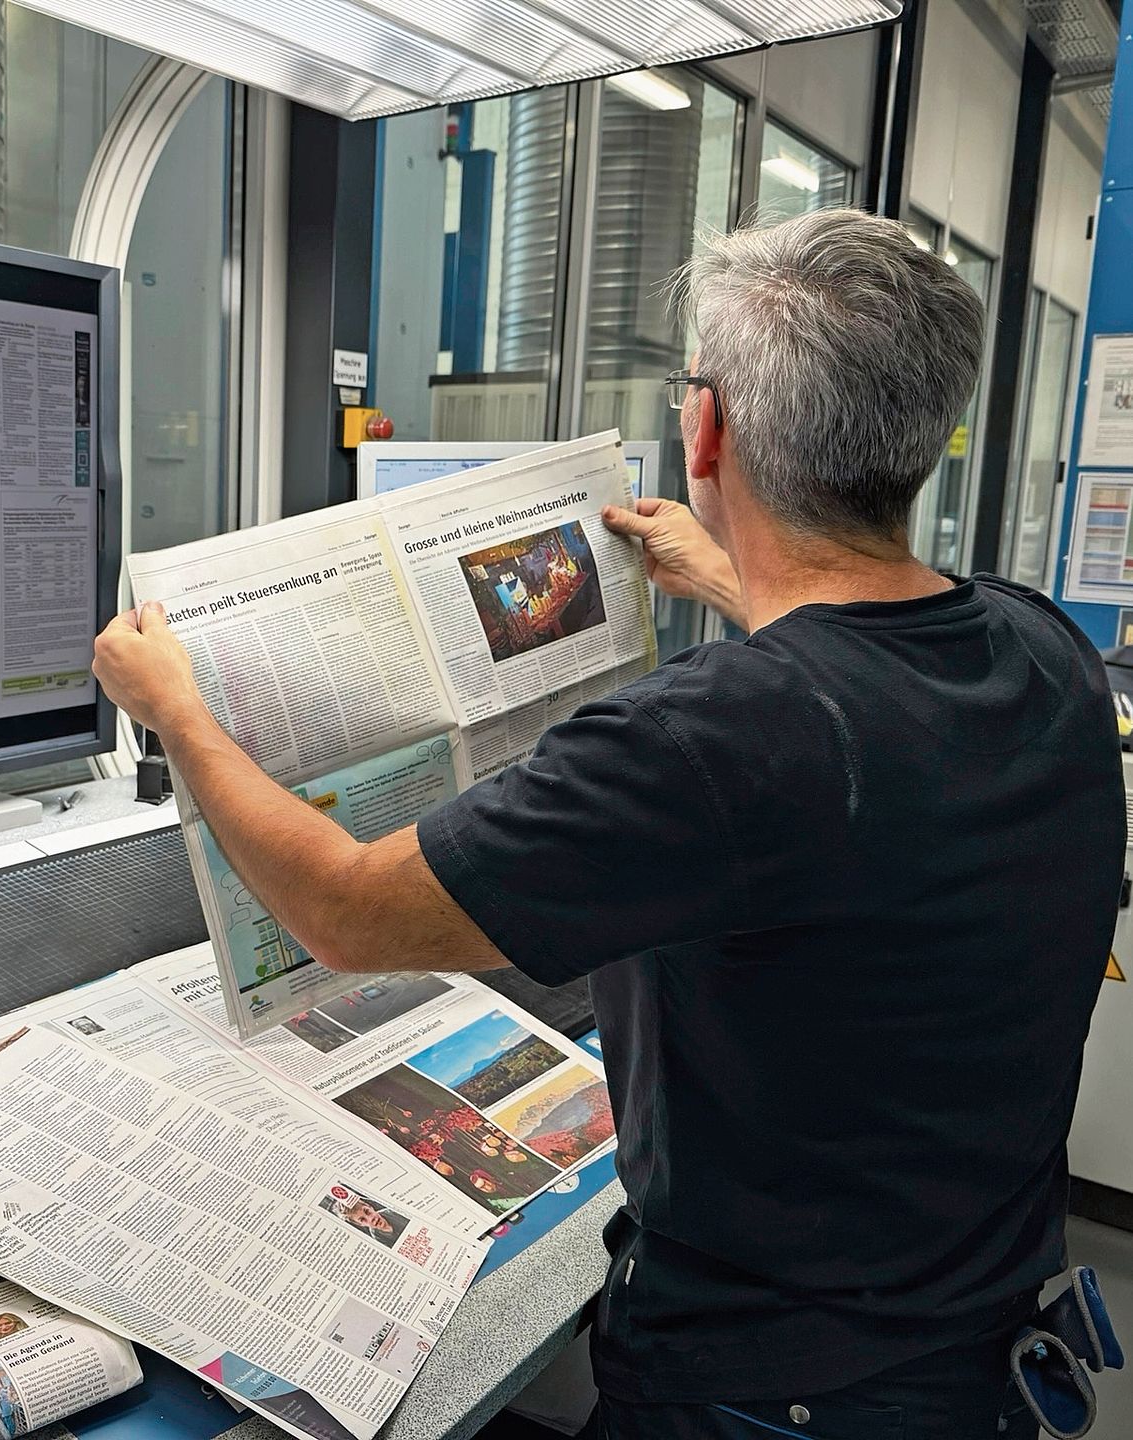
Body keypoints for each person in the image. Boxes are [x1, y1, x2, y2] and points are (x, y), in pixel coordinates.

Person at [91, 206, 1124, 1439]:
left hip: (767, 1395)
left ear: (708, 427)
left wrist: (178, 711)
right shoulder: (1042, 649)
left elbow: (347, 911)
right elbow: (866, 697)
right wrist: (729, 575)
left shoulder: (715, 736)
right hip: (970, 1357)